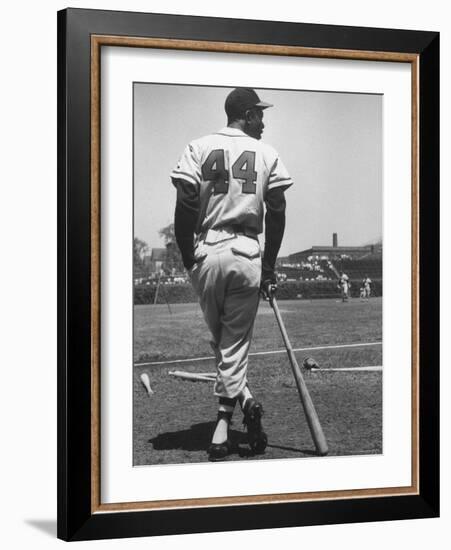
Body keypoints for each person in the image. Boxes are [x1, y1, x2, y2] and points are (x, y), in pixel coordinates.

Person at [171, 87, 293, 461]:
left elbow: (187, 202)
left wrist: (189, 256)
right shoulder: (267, 153)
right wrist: (269, 268)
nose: (263, 121)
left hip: (206, 251)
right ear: (245, 114)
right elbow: (277, 211)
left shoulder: (198, 146)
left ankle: (244, 403)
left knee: (223, 343)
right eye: (259, 113)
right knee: (232, 345)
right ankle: (225, 423)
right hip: (246, 253)